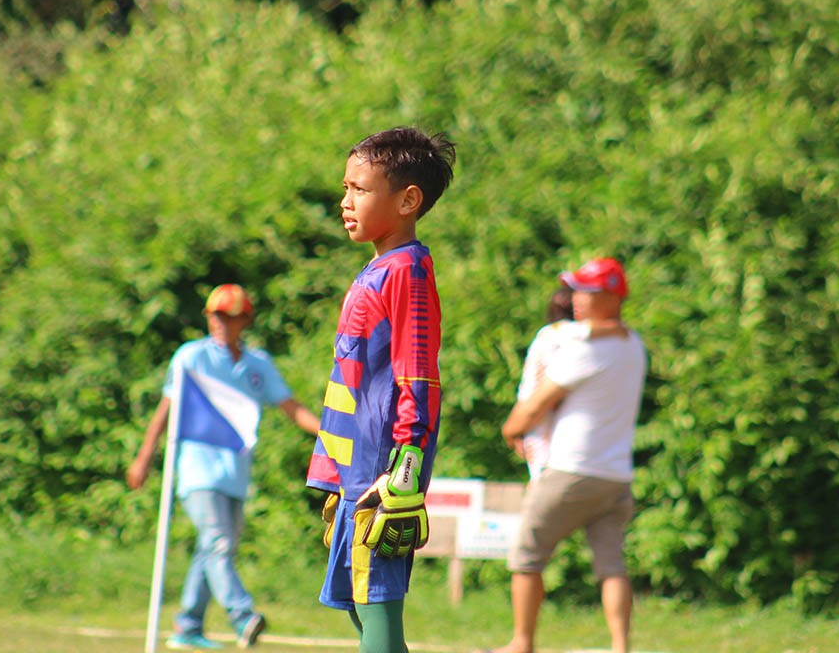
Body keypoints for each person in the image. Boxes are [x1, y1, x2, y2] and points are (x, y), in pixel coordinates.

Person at [306, 126, 456, 653]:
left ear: (408, 200)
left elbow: (419, 376)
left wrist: (405, 470)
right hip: (353, 469)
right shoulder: (380, 267)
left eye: (360, 189)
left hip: (380, 473)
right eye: (345, 188)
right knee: (360, 605)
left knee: (377, 607)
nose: (346, 202)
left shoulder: (407, 272)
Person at [127, 283, 320, 650]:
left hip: (235, 472)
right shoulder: (191, 356)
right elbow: (166, 409)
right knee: (218, 542)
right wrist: (144, 457)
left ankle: (188, 626)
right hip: (198, 470)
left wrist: (329, 433)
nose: (219, 323)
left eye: (228, 316)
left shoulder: (258, 364)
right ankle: (243, 616)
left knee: (214, 549)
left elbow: (291, 407)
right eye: (214, 315)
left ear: (244, 319)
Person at [482, 257, 647, 653]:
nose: (577, 298)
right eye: (577, 290)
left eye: (588, 291)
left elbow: (535, 406)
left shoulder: (586, 349)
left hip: (570, 471)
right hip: (616, 475)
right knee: (611, 566)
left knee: (526, 556)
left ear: (612, 297)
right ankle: (620, 646)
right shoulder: (635, 345)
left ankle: (522, 643)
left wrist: (511, 430)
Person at [516, 286, 628, 479]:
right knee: (547, 474)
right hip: (541, 414)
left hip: (530, 410)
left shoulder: (546, 335)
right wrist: (618, 329)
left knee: (542, 474)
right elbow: (589, 331)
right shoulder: (562, 332)